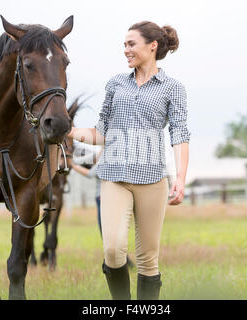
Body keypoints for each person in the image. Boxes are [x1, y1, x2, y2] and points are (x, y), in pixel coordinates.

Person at [67, 21, 190, 300]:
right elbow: (101, 132)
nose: (125, 50)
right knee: (112, 249)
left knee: (148, 259)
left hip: (152, 180)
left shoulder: (173, 88)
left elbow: (180, 134)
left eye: (131, 44)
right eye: (124, 45)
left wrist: (180, 179)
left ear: (152, 46)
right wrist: (70, 131)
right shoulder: (115, 84)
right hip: (114, 177)